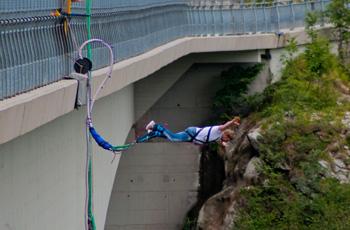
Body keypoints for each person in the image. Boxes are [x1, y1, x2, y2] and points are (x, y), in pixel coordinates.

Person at [136, 117, 240, 146]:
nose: (225, 140)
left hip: (192, 137)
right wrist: (232, 122)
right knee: (173, 138)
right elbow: (225, 125)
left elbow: (221, 142)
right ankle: (154, 126)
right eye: (227, 139)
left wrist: (224, 143)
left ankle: (155, 134)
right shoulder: (219, 131)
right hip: (193, 133)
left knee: (171, 137)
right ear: (226, 135)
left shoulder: (218, 138)